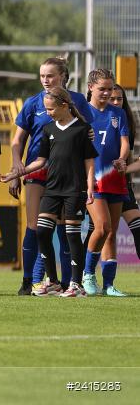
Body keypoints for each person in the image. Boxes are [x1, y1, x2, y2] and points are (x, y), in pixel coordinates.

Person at [9, 57, 93, 295]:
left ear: (63, 77)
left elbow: (87, 136)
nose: (45, 80)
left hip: (67, 173)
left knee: (66, 230)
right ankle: (29, 281)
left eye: (50, 76)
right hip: (37, 169)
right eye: (42, 76)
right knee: (35, 227)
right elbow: (17, 142)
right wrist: (17, 171)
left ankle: (67, 282)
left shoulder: (76, 101)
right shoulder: (33, 103)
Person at [81, 69, 130, 296]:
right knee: (101, 227)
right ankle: (87, 274)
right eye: (103, 89)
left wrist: (122, 158)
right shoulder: (82, 113)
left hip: (114, 178)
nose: (107, 93)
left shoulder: (117, 114)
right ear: (90, 87)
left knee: (111, 232)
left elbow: (124, 142)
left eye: (110, 89)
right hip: (91, 179)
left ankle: (109, 285)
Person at [108, 85, 140, 283]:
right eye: (112, 98)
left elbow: (132, 159)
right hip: (100, 187)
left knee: (137, 227)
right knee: (105, 233)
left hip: (123, 187)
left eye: (119, 99)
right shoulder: (94, 119)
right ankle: (89, 278)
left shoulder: (127, 124)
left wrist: (124, 170)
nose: (116, 102)